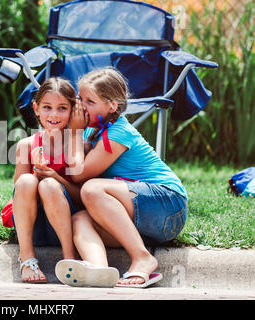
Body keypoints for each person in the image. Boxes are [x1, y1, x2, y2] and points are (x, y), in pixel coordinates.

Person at [56, 67, 188, 288]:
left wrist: (75, 133)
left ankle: (142, 258)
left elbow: (78, 175)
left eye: (89, 101)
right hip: (146, 223)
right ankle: (98, 269)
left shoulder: (119, 132)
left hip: (168, 204)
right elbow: (74, 181)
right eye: (80, 98)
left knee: (92, 189)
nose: (80, 106)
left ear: (112, 106)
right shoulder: (92, 132)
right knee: (79, 220)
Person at [11, 77, 81, 283]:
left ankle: (70, 258)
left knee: (50, 185)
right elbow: (17, 196)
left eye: (62, 108)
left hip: (64, 226)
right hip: (32, 228)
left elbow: (82, 197)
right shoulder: (26, 145)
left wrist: (55, 177)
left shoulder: (79, 146)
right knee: (26, 182)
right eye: (47, 107)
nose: (53, 114)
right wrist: (35, 176)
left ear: (73, 110)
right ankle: (27, 258)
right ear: (36, 108)